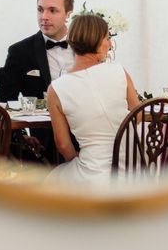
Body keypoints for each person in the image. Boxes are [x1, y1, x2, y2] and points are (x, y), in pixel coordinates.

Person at [45, 11, 140, 185]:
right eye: (107, 38)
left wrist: (75, 160)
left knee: (51, 181)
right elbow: (139, 116)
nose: (110, 44)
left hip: (92, 176)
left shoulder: (56, 89)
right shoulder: (119, 71)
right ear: (96, 41)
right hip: (134, 171)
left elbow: (63, 144)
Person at [1, 0, 75, 101]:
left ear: (68, 14)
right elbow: (5, 100)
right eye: (40, 10)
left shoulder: (85, 46)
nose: (44, 17)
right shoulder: (20, 51)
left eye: (52, 10)